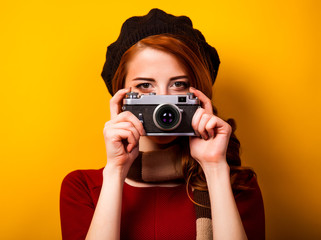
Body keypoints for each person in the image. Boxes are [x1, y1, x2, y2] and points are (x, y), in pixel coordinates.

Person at [60, 8, 265, 240]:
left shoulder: (238, 185)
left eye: (178, 85)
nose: (164, 103)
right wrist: (116, 171)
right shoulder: (82, 188)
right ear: (122, 97)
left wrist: (215, 169)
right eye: (145, 86)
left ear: (199, 95)